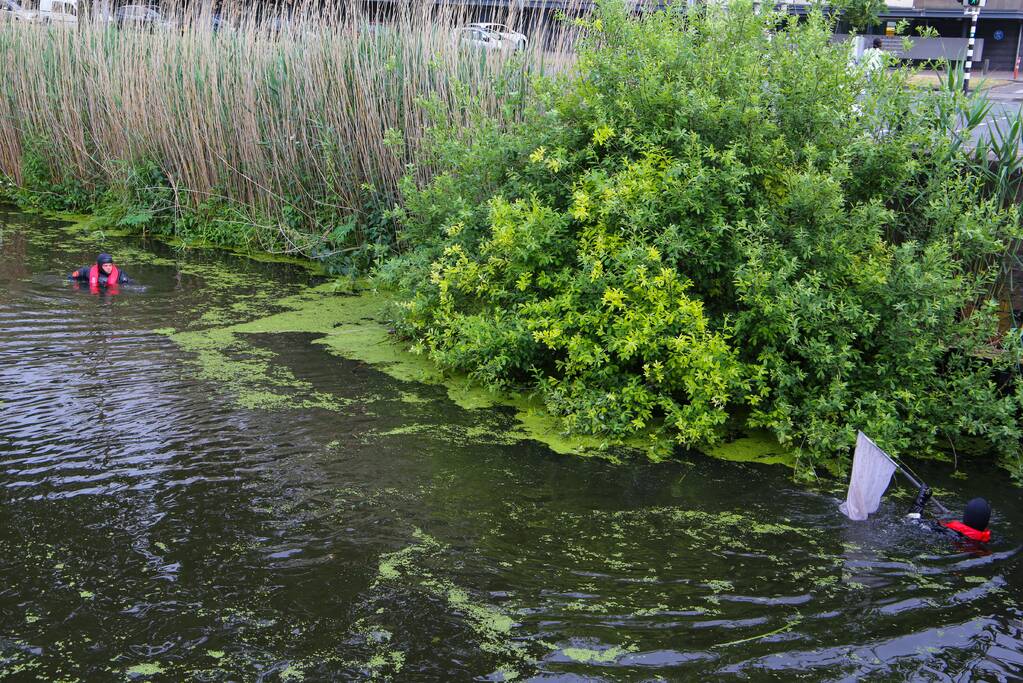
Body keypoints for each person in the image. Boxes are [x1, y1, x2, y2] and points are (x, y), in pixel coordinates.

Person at [907, 486, 992, 543]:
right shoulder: (983, 540)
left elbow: (912, 521)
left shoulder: (949, 534)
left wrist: (921, 500)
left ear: (965, 517)